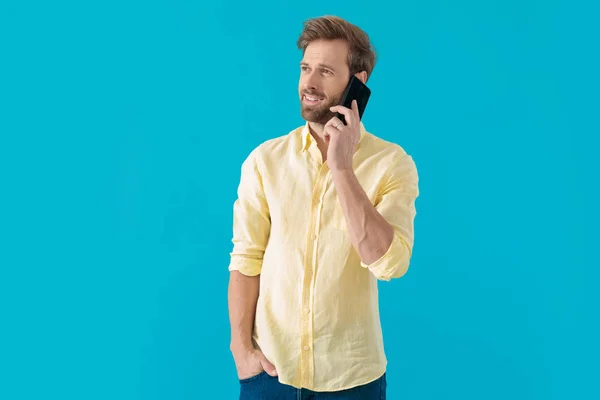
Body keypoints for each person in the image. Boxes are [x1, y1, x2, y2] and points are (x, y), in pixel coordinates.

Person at [227, 15, 419, 400]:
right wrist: (240, 350)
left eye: (326, 72)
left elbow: (389, 263)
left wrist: (342, 167)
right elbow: (247, 260)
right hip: (270, 375)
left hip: (352, 381)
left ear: (357, 84)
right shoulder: (265, 161)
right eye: (305, 68)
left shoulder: (392, 164)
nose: (309, 84)